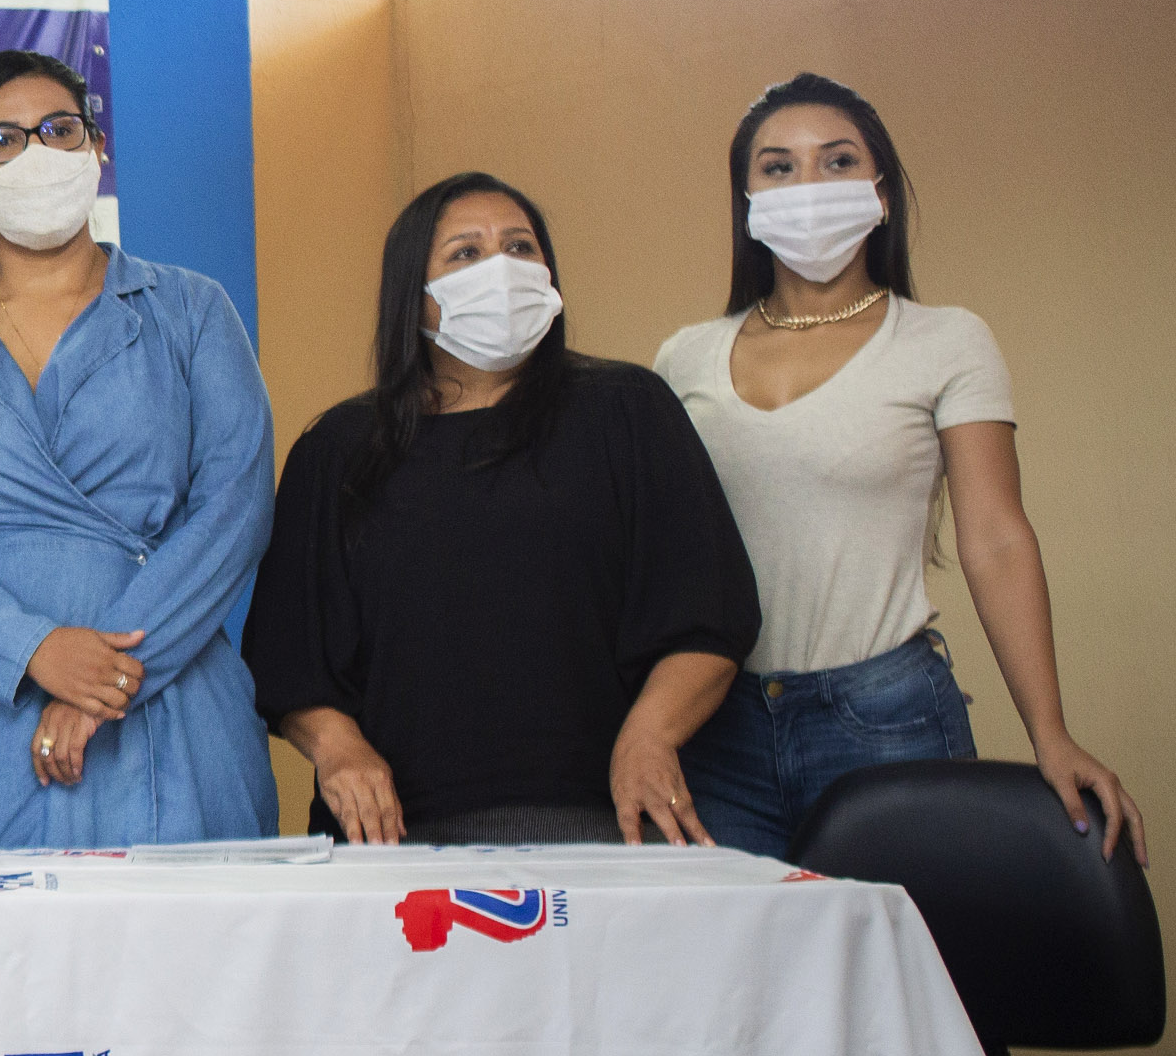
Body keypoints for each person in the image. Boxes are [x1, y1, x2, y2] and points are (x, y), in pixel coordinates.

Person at [656, 74, 1143, 861]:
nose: (807, 185)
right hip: (715, 732)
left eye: (837, 161)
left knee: (901, 941)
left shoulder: (945, 340)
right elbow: (658, 561)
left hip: (883, 717)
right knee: (741, 944)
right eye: (777, 167)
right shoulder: (683, 357)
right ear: (746, 205)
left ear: (879, 194)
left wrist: (1048, 732)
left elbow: (995, 537)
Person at [247, 176, 759, 844]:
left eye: (520, 247)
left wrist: (650, 736)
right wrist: (338, 750)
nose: (501, 268)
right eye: (465, 253)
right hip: (394, 838)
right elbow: (290, 657)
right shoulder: (338, 450)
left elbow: (709, 612)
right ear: (412, 292)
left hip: (600, 821)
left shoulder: (627, 410)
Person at [0, 51, 274, 847]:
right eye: (2, 139)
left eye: (59, 130)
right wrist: (32, 649)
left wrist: (105, 681)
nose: (37, 153)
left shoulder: (190, 311)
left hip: (166, 705)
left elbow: (233, 511)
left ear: (95, 148)